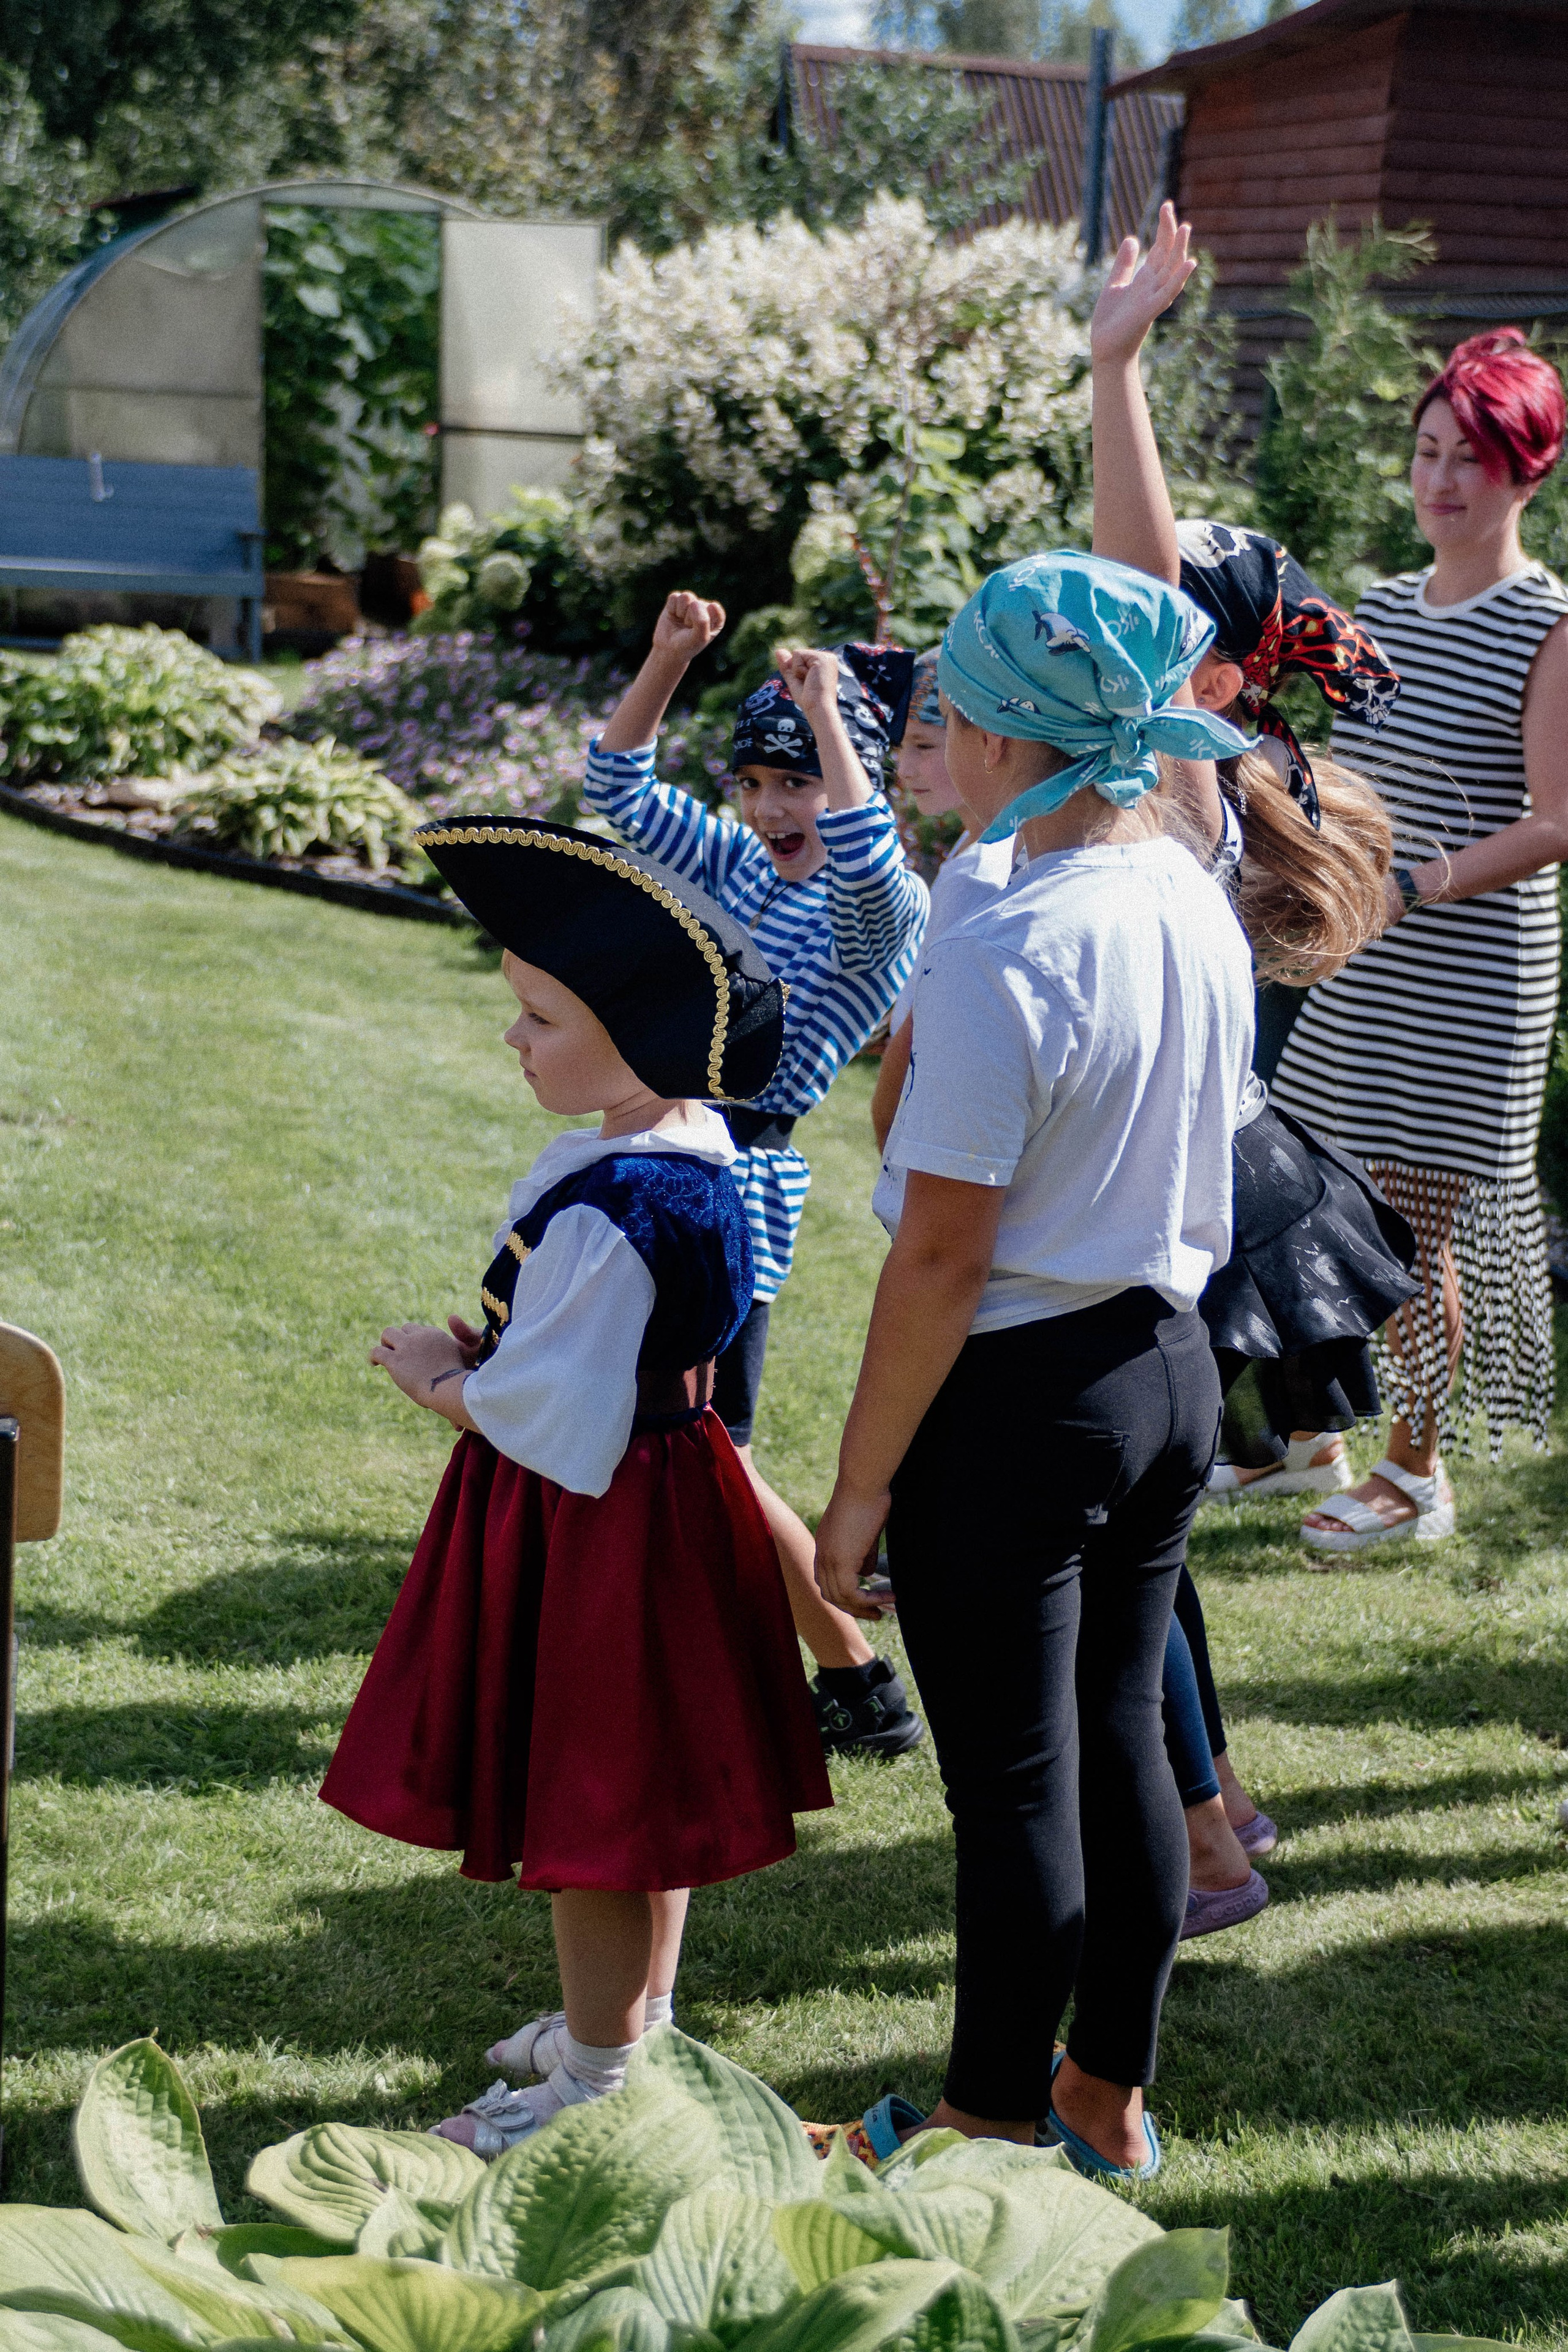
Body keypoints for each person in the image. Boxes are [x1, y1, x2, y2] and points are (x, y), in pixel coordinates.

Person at [815, 549, 1256, 2178]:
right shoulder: (1180, 891)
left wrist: (857, 1499)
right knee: (1124, 1734)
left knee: (1013, 1790)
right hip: (1165, 1361)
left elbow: (939, 1260)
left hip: (1023, 1393)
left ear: (1002, 736)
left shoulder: (1014, 950)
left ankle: (984, 2120)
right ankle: (1105, 2099)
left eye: (953, 707)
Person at [320, 816, 832, 2155]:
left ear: (639, 1036)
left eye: (541, 1017)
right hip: (661, 1493)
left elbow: (548, 1412)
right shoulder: (678, 1150)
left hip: (599, 1524)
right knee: (644, 1795)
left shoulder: (617, 1209)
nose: (515, 1039)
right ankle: (634, 2024)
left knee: (593, 1812)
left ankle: (596, 2089)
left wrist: (436, 1374)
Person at [1087, 205, 1418, 1910]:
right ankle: (1211, 1813)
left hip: (1156, 1213)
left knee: (1120, 1545)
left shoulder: (1189, 773)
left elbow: (1138, 585)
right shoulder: (1189, 773)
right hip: (1193, 1191)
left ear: (1208, 669)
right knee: (1139, 1539)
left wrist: (1117, 362)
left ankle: (1200, 1841)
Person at [582, 593, 930, 1752]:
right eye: (755, 784)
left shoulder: (880, 916)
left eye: (801, 784)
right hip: (659, 1157)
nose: (773, 807)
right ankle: (740, 1666)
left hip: (737, 1189)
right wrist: (667, 659)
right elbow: (617, 794)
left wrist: (833, 717)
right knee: (658, 1435)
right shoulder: (739, 862)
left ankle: (857, 1678)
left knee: (707, 1450)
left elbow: (875, 870)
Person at [1268, 329, 1568, 1551]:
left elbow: (1555, 819)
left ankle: (1416, 1471)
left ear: (1526, 475)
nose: (1440, 483)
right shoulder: (1380, 609)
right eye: (1427, 453)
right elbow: (1356, 780)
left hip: (1467, 961)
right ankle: (1311, 1440)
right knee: (1316, 1186)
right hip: (1367, 941)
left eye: (1471, 462)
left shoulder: (1548, 621)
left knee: (1411, 1213)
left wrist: (1411, 884)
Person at [870, 650, 1017, 1154]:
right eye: (900, 746)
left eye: (924, 745)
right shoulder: (972, 846)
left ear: (986, 740)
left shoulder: (984, 874)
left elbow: (924, 1032)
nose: (904, 768)